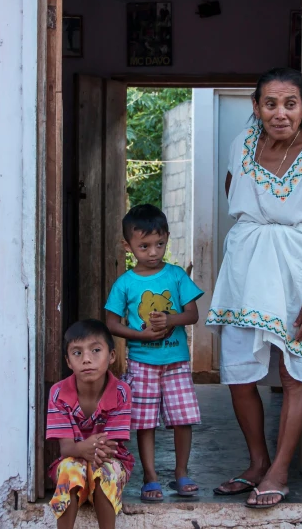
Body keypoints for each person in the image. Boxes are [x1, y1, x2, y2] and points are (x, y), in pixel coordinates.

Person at [207, 68, 302, 509]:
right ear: (256, 108)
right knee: (239, 373)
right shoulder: (243, 145)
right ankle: (256, 463)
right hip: (247, 270)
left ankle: (280, 469)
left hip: (298, 272)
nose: (280, 113)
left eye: (290, 104)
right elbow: (234, 191)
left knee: (295, 371)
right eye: (270, 104)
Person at [105, 204, 204, 502]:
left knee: (182, 418)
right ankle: (151, 476)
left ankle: (181, 472)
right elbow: (111, 323)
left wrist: (171, 320)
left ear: (167, 239)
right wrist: (141, 335)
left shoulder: (175, 276)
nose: (153, 252)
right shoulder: (125, 283)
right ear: (128, 245)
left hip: (176, 362)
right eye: (144, 246)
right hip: (142, 363)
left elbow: (192, 314)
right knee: (145, 421)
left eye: (159, 244)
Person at [46, 320, 134, 529]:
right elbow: (66, 448)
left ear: (111, 356)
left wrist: (85, 448)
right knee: (69, 469)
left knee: (106, 471)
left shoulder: (121, 392)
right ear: (68, 361)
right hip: (73, 461)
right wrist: (81, 450)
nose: (86, 359)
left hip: (109, 460)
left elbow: (109, 448)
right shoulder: (58, 393)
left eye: (96, 350)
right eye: (77, 353)